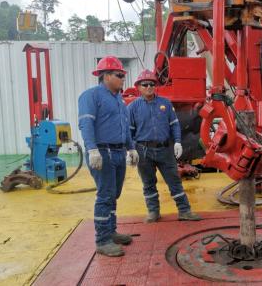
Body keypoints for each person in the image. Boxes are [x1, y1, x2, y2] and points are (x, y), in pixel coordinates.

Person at [78, 56, 139, 257]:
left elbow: (125, 128)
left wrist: (131, 148)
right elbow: (85, 124)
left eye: (123, 75)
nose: (123, 78)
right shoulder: (91, 96)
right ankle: (102, 240)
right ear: (105, 76)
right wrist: (92, 149)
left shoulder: (119, 100)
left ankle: (110, 231)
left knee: (114, 194)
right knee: (105, 195)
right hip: (102, 152)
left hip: (119, 152)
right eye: (119, 75)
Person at [128, 69, 202, 223]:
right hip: (143, 151)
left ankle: (184, 211)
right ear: (139, 87)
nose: (149, 87)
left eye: (152, 84)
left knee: (174, 182)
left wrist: (177, 142)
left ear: (156, 86)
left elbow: (174, 124)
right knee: (148, 184)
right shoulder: (133, 108)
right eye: (145, 84)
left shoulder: (165, 104)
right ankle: (153, 212)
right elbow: (129, 130)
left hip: (165, 149)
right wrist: (130, 150)